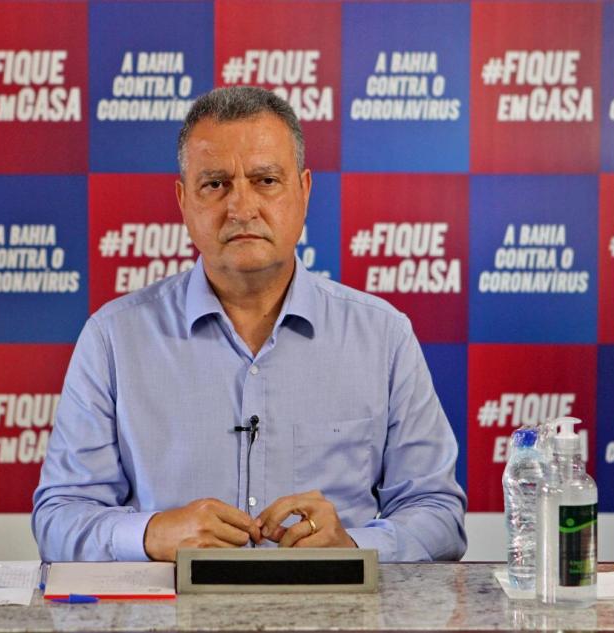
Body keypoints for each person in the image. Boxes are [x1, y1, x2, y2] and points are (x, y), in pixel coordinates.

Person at [32, 86, 467, 563]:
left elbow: (439, 516)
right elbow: (59, 518)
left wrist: (353, 547)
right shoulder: (114, 339)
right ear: (183, 200)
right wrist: (152, 534)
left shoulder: (382, 336)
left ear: (304, 191)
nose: (241, 208)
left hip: (330, 604)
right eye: (215, 184)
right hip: (173, 604)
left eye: (266, 181)